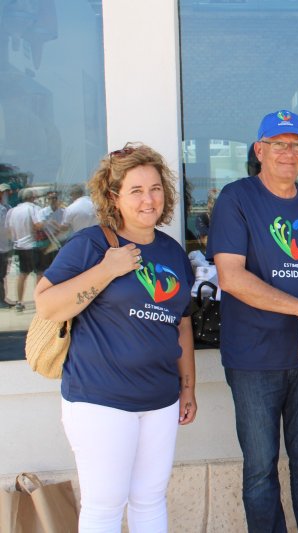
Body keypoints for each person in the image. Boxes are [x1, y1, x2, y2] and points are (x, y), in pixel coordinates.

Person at [33, 143, 197, 532]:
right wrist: (107, 270)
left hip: (159, 400)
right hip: (100, 400)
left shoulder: (172, 252)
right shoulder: (91, 245)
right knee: (105, 505)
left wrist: (187, 387)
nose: (148, 199)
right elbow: (46, 304)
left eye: (155, 188)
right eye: (136, 190)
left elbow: (182, 323)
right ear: (114, 197)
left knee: (150, 499)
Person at [207, 109, 298, 533]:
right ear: (260, 150)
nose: (289, 152)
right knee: (260, 471)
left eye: (297, 144)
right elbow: (231, 277)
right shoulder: (237, 198)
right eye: (279, 144)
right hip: (253, 358)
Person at [6, 188, 43, 311]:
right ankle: (39, 301)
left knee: (22, 274)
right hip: (32, 245)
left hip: (19, 246)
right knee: (39, 273)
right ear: (32, 198)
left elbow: (9, 230)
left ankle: (19, 301)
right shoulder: (33, 208)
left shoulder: (12, 211)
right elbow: (38, 225)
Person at [36, 189, 65, 268]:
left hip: (60, 242)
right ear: (47, 200)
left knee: (59, 267)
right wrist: (49, 222)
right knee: (46, 267)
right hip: (47, 243)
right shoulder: (42, 212)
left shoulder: (64, 212)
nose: (53, 200)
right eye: (51, 198)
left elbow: (65, 227)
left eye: (55, 198)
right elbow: (39, 227)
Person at [0, 183, 12, 307]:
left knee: (3, 275)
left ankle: (3, 298)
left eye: (7, 192)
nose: (5, 194)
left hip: (5, 247)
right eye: (3, 192)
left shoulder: (8, 207)